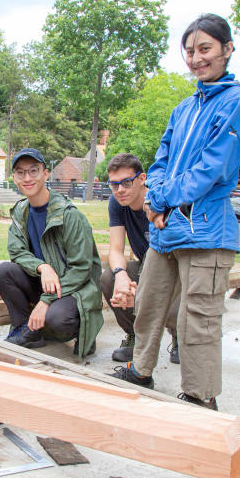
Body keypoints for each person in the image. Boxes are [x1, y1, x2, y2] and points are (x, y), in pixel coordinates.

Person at [110, 14, 240, 411]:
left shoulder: (238, 102)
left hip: (207, 232)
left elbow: (213, 168)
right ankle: (141, 370)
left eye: (205, 49)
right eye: (189, 50)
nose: (196, 58)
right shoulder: (183, 108)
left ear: (227, 49)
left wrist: (159, 202)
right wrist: (156, 196)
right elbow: (159, 161)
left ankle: (199, 395)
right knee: (149, 306)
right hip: (167, 232)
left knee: (198, 321)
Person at [0, 148, 104, 357]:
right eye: (20, 172)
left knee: (57, 320)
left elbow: (81, 269)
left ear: (46, 174)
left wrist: (46, 301)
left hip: (74, 289)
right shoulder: (21, 211)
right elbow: (16, 251)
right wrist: (42, 267)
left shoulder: (69, 215)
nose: (27, 178)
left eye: (33, 171)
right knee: (4, 272)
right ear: (14, 178)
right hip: (46, 281)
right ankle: (27, 330)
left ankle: (84, 330)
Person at [100, 153, 180, 363]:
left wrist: (143, 285)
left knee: (171, 296)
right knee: (109, 278)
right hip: (146, 265)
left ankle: (180, 335)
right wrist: (121, 276)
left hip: (171, 266)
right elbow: (116, 249)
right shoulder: (117, 204)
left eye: (126, 182)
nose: (120, 190)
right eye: (114, 184)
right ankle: (134, 334)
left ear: (142, 178)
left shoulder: (159, 200)